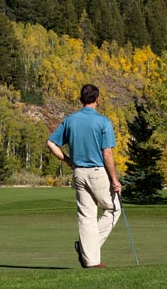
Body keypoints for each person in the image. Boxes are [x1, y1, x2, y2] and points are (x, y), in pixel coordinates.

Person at [46, 83, 122, 269]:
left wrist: (67, 161)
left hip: (78, 172)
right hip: (97, 172)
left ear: (81, 99)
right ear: (97, 99)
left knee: (86, 216)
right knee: (113, 209)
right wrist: (114, 180)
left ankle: (91, 260)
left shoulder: (70, 120)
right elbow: (107, 154)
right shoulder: (103, 122)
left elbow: (51, 143)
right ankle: (87, 249)